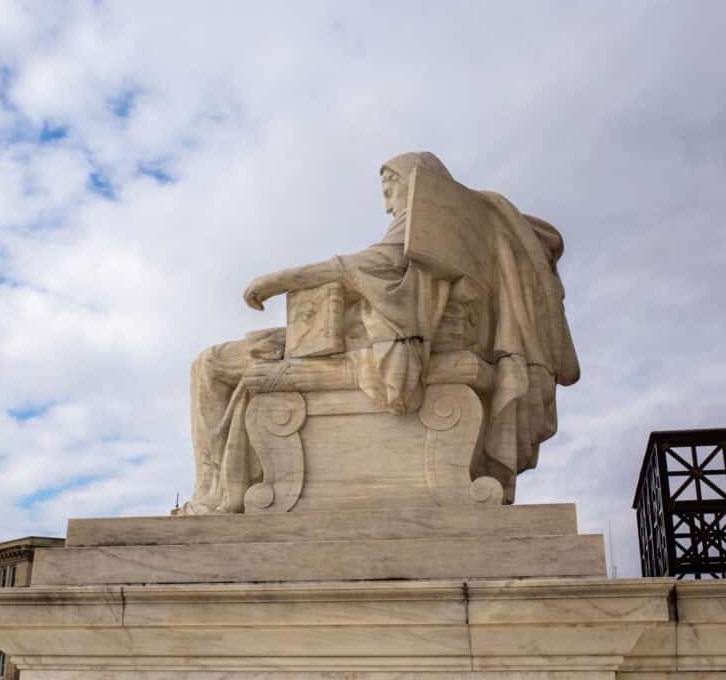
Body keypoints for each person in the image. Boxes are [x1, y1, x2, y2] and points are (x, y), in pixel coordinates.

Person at [183, 152, 578, 514]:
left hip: (370, 340)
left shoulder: (427, 231)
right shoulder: (447, 236)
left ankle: (218, 495)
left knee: (213, 363)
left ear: (417, 183)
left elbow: (371, 266)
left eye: (391, 183)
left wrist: (278, 280)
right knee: (217, 361)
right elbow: (374, 273)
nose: (386, 195)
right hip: (356, 335)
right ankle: (220, 488)